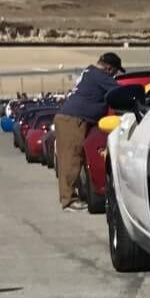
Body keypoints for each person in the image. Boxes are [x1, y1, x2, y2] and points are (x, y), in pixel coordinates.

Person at [51, 52, 123, 210]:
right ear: (109, 68)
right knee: (71, 159)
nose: (115, 75)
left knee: (71, 158)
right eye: (115, 72)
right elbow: (121, 92)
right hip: (74, 119)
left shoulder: (90, 72)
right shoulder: (100, 75)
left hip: (70, 117)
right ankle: (68, 200)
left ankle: (71, 196)